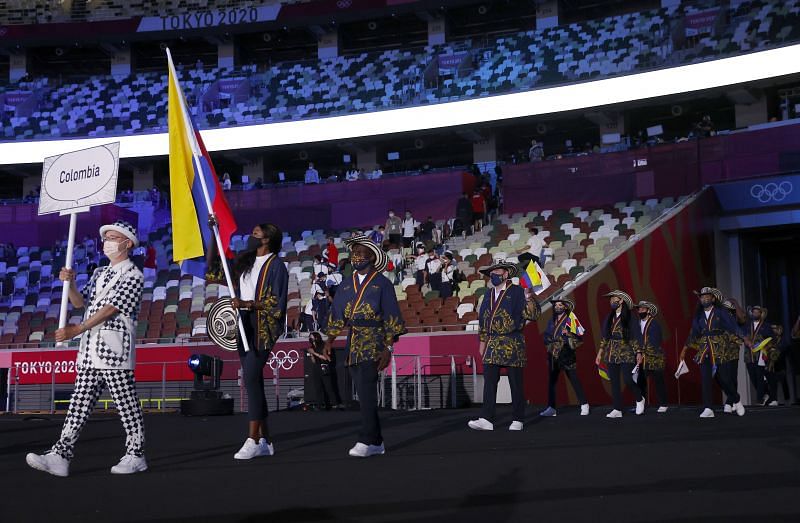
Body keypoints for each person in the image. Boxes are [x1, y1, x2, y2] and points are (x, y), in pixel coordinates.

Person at [26, 221, 146, 477]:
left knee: (126, 406)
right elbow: (82, 303)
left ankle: (136, 454)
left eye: (113, 237)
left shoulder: (134, 275)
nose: (107, 242)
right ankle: (61, 455)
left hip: (115, 352)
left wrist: (76, 330)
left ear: (127, 243)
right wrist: (70, 285)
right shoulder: (99, 273)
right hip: (90, 351)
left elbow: (110, 309)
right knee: (78, 405)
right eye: (106, 238)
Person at [324, 234, 405, 457]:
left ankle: (366, 439)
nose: (357, 256)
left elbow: (391, 316)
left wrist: (388, 348)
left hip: (375, 339)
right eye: (355, 253)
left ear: (371, 257)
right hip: (353, 340)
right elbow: (337, 314)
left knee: (368, 390)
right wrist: (329, 340)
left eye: (362, 253)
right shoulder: (346, 285)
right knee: (363, 392)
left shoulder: (382, 283)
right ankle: (377, 441)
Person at [230, 223, 289, 459]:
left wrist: (248, 304)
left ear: (267, 239)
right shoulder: (245, 261)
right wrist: (213, 235)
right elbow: (217, 272)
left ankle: (253, 440)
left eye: (255, 234)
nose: (250, 236)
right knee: (254, 380)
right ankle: (266, 440)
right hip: (242, 322)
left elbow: (278, 304)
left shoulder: (276, 266)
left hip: (262, 326)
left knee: (251, 376)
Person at [468, 261, 541, 431]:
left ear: (506, 273)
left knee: (515, 383)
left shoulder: (517, 292)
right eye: (491, 272)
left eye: (496, 271)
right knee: (490, 381)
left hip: (512, 342)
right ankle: (487, 418)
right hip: (492, 343)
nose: (493, 275)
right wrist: (482, 342)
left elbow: (533, 314)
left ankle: (518, 418)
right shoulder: (488, 294)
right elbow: (483, 320)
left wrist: (529, 297)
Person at [680, 287, 746, 418]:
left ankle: (736, 399)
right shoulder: (698, 316)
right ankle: (708, 408)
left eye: (707, 296)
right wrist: (684, 350)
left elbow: (733, 326)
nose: (704, 298)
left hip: (720, 348)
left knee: (724, 378)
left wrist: (745, 339)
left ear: (713, 298)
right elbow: (693, 333)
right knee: (705, 378)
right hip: (704, 348)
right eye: (702, 297)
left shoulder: (720, 312)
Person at [595, 290, 644, 418]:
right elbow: (605, 336)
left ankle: (639, 398)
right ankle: (617, 409)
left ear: (621, 301)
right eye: (610, 299)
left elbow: (635, 335)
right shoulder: (609, 317)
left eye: (614, 299)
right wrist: (600, 352)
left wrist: (638, 352)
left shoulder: (630, 316)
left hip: (626, 350)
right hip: (611, 352)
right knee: (614, 381)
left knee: (628, 379)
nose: (611, 301)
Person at [540, 297, 589, 417]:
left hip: (566, 353)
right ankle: (551, 408)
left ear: (565, 307)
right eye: (556, 305)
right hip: (553, 354)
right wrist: (548, 340)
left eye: (560, 305)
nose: (557, 307)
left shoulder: (570, 319)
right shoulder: (551, 320)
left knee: (573, 378)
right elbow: (546, 334)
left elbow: (579, 337)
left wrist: (569, 334)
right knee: (552, 381)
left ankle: (584, 404)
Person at [632, 301, 668, 413]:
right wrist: (638, 351)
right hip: (641, 357)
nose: (640, 311)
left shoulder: (654, 324)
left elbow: (654, 341)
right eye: (639, 309)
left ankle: (663, 404)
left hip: (654, 357)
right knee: (640, 381)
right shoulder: (637, 324)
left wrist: (642, 351)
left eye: (643, 309)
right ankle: (640, 404)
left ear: (648, 311)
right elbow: (635, 339)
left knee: (658, 381)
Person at [719, 298, 746, 413]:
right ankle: (734, 399)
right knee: (722, 376)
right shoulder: (718, 314)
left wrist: (735, 302)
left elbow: (743, 319)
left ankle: (730, 402)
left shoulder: (734, 316)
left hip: (733, 348)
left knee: (732, 376)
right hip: (720, 348)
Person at [306, 331, 342, 410]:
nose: (310, 339)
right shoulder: (312, 347)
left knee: (329, 387)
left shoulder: (323, 345)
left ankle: (335, 404)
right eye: (310, 337)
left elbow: (326, 358)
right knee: (318, 387)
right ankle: (320, 405)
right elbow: (314, 361)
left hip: (324, 367)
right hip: (316, 368)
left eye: (312, 337)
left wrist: (314, 353)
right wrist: (311, 354)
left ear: (316, 337)